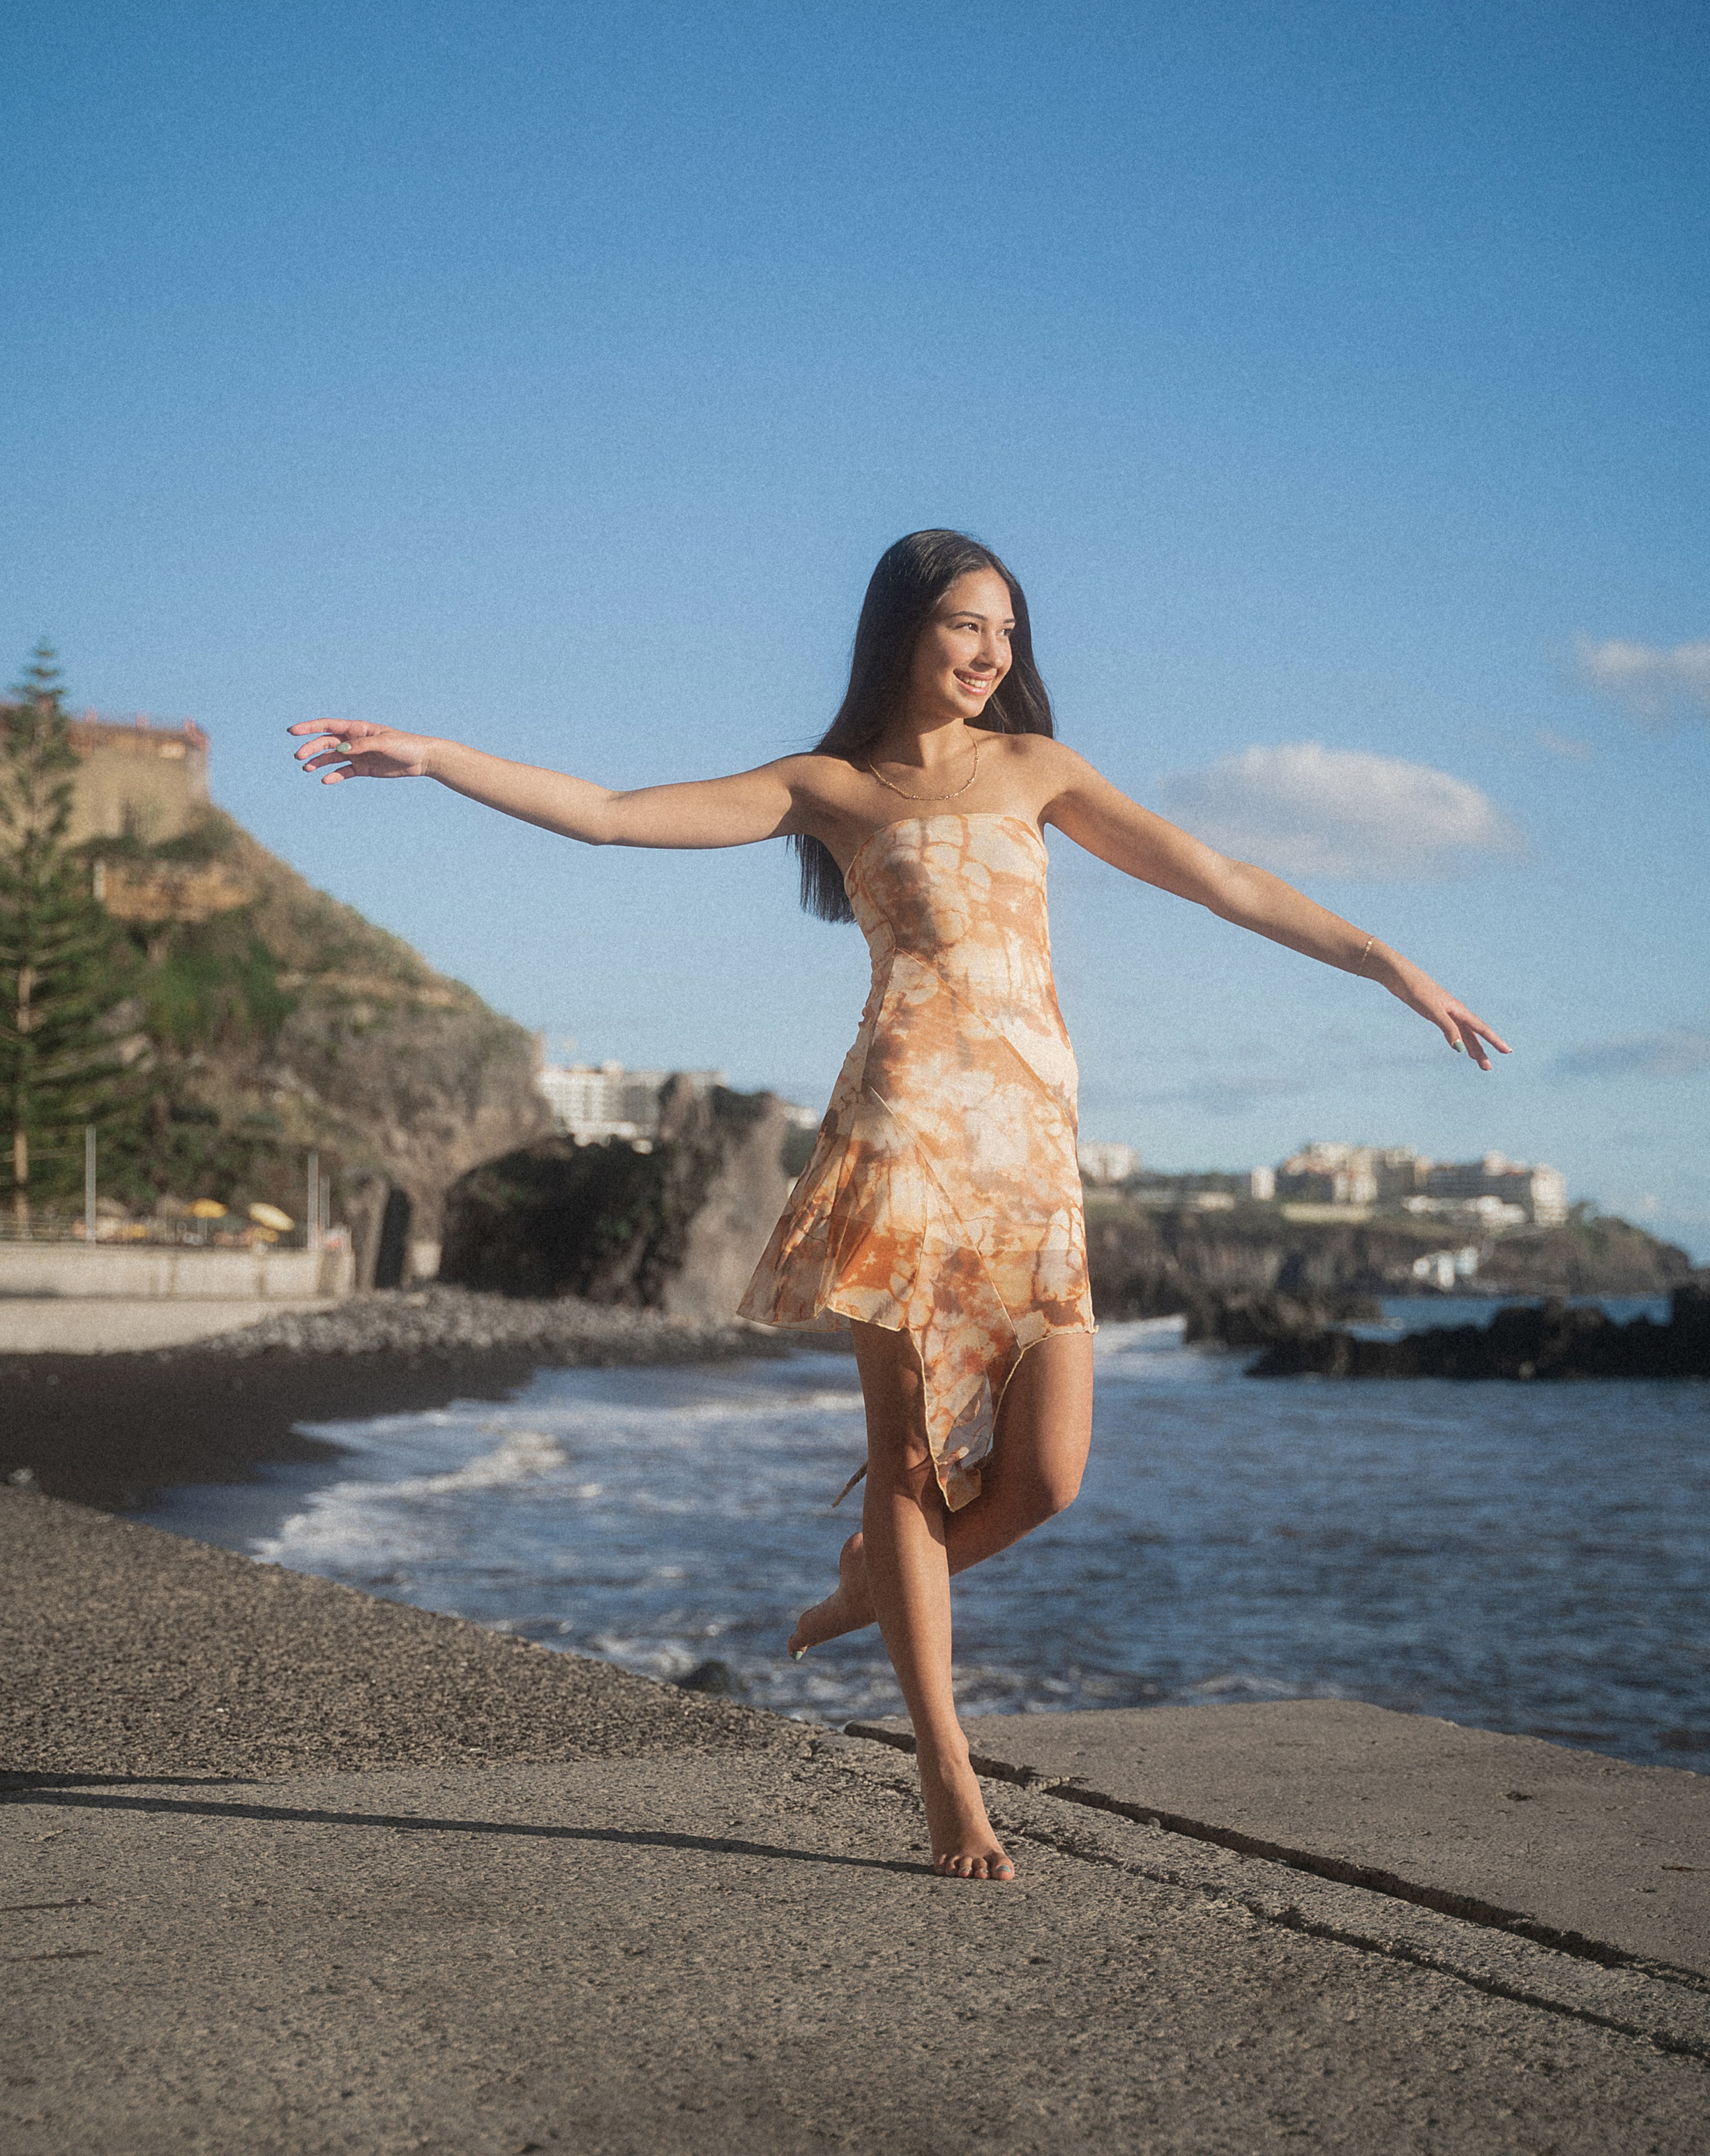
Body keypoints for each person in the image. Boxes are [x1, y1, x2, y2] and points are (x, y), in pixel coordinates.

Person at [291, 527, 1508, 1883]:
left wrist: (1387, 962)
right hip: (903, 1139)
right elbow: (614, 811)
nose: (990, 654)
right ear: (900, 634)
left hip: (1033, 1161)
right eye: (963, 628)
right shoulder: (833, 786)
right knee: (911, 1458)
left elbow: (1216, 877)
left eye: (1004, 631)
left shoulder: (1037, 770)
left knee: (1047, 1473)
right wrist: (436, 756)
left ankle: (872, 1582)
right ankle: (945, 1773)